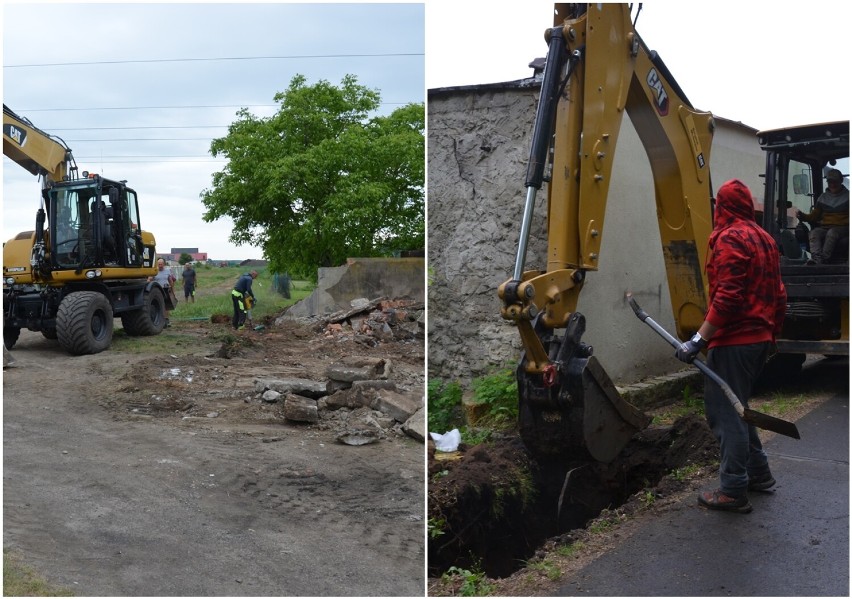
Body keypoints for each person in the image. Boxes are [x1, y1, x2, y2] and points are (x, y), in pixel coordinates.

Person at [676, 179, 787, 514]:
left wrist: (698, 340)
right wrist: (772, 337)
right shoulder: (765, 239)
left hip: (735, 340)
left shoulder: (729, 238)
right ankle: (760, 474)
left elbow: (727, 298)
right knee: (740, 408)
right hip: (759, 337)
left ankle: (733, 489)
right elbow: (780, 295)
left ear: (722, 207)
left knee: (726, 415)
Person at [796, 168, 849, 264]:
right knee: (814, 233)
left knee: (832, 233)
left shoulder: (848, 197)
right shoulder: (823, 198)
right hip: (826, 227)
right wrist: (802, 216)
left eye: (835, 181)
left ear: (841, 181)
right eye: (830, 182)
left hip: (843, 228)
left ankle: (824, 260)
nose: (832, 184)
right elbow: (814, 216)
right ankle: (817, 259)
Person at [148, 258, 176, 327]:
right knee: (159, 305)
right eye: (159, 264)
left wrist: (172, 290)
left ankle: (166, 320)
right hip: (157, 291)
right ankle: (160, 320)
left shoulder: (167, 271)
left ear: (164, 264)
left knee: (167, 305)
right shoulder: (154, 271)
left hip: (165, 289)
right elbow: (149, 279)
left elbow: (171, 281)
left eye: (161, 264)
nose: (160, 265)